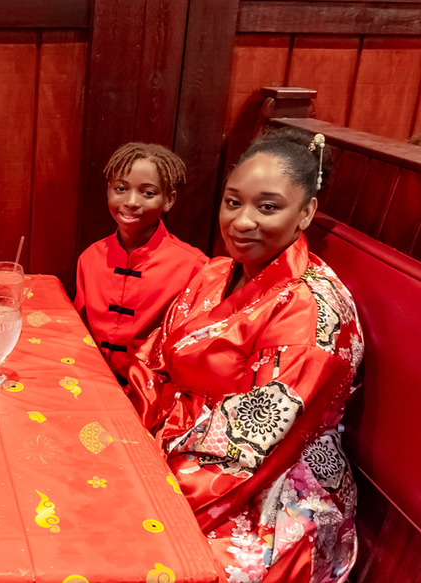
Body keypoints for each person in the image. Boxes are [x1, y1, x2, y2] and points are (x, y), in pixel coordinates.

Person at [125, 128, 362, 582]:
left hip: (267, 483)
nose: (241, 221)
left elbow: (251, 446)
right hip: (176, 440)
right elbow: (153, 359)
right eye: (233, 202)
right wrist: (132, 436)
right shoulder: (215, 271)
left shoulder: (312, 312)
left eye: (267, 207)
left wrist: (146, 486)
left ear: (307, 211)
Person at [73, 142, 207, 384]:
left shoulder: (195, 267)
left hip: (155, 391)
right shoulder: (90, 258)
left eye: (148, 193)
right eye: (121, 188)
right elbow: (79, 330)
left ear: (169, 200)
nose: (132, 201)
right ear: (108, 191)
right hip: (91, 380)